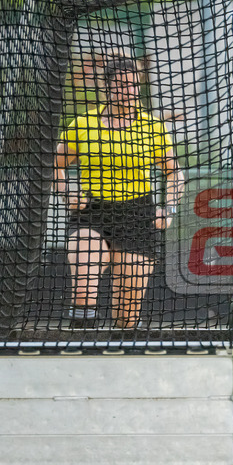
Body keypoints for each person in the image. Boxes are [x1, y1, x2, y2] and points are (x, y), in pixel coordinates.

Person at [54, 57, 184, 330]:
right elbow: (55, 165)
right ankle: (81, 356)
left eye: (133, 85)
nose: (129, 91)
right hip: (92, 215)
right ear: (107, 88)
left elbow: (174, 173)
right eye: (121, 85)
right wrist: (67, 193)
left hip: (137, 217)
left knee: (126, 315)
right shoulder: (83, 124)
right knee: (84, 291)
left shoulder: (153, 127)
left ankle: (118, 360)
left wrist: (169, 209)